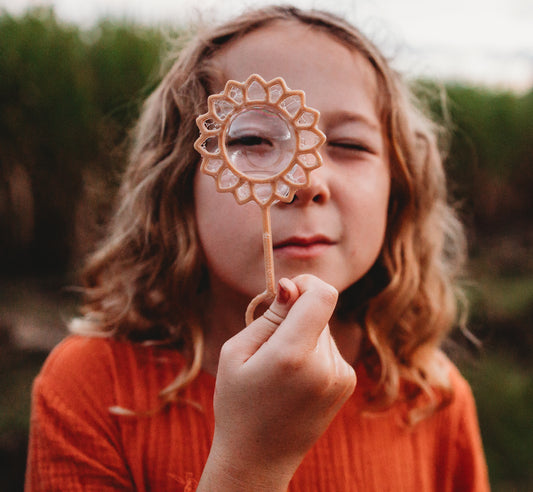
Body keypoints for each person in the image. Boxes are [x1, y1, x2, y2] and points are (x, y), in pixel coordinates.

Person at [25, 5, 490, 491]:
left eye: (350, 145)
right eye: (250, 138)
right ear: (177, 182)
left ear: (399, 188)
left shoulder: (433, 397)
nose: (304, 180)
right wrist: (251, 463)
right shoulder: (91, 387)